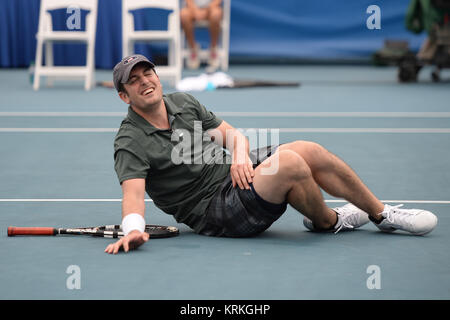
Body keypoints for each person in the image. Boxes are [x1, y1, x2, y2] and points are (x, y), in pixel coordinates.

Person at [105, 55, 438, 254]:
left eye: (147, 73)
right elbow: (133, 196)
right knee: (290, 164)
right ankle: (331, 221)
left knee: (308, 149)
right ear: (124, 96)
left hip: (234, 175)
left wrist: (238, 157)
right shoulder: (130, 140)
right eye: (134, 81)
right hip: (213, 211)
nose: (145, 81)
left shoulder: (182, 102)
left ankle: (382, 215)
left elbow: (232, 135)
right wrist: (133, 228)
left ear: (157, 77)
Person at [180, 0, 223, 71]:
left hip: (211, 9)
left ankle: (213, 48)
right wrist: (195, 10)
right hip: (192, 9)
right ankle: (193, 48)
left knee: (216, 14)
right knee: (184, 14)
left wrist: (206, 10)